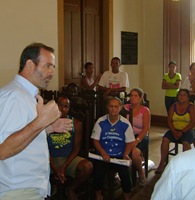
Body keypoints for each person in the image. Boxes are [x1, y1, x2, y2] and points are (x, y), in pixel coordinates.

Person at [0, 43, 73, 200]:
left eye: (53, 67)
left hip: (29, 187)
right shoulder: (14, 96)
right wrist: (41, 122)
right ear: (30, 65)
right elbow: (3, 149)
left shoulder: (27, 95)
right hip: (18, 190)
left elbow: (22, 132)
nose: (52, 72)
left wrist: (48, 127)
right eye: (47, 66)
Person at [47, 93, 93, 200]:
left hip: (68, 159)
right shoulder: (46, 122)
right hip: (49, 158)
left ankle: (71, 189)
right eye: (59, 105)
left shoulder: (76, 124)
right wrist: (54, 167)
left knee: (87, 167)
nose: (62, 109)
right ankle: (49, 188)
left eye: (65, 106)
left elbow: (76, 148)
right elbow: (43, 148)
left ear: (69, 108)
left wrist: (64, 167)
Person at [91, 96, 135, 200]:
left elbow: (130, 141)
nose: (113, 109)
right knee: (98, 172)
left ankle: (127, 196)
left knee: (125, 173)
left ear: (120, 108)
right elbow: (95, 140)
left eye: (116, 106)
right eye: (111, 106)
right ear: (107, 107)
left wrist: (126, 154)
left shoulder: (125, 123)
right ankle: (98, 194)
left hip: (119, 155)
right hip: (103, 156)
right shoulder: (100, 121)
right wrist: (102, 152)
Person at [155, 89, 195, 174]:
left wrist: (182, 132)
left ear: (188, 97)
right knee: (165, 140)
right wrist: (174, 131)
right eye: (180, 95)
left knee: (186, 143)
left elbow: (193, 123)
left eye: (184, 95)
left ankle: (185, 165)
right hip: (174, 129)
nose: (181, 97)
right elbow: (169, 120)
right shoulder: (174, 106)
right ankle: (162, 163)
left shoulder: (191, 107)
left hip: (188, 130)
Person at [122, 88, 151, 186]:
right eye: (131, 95)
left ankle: (141, 174)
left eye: (135, 96)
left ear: (140, 98)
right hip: (127, 135)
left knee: (134, 153)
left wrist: (137, 140)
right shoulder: (125, 108)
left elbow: (146, 128)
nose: (133, 98)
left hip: (141, 136)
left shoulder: (145, 110)